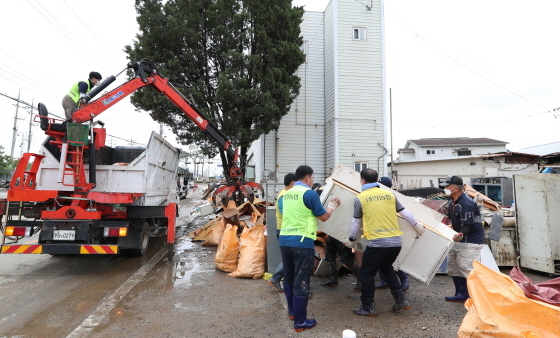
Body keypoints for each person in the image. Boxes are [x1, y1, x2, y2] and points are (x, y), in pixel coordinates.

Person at [347, 169, 425, 317]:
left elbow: (356, 223)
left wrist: (351, 239)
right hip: (395, 242)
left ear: (362, 181)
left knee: (367, 273)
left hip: (378, 243)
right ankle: (401, 301)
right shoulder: (389, 194)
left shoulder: (360, 198)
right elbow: (405, 213)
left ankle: (368, 307)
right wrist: (416, 225)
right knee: (387, 268)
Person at [279, 165, 341, 332]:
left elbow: (289, 212)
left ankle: (293, 312)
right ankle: (300, 322)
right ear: (307, 177)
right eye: (312, 178)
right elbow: (324, 216)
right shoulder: (309, 194)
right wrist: (333, 206)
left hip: (284, 239)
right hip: (301, 241)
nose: (312, 181)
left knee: (289, 277)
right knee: (302, 280)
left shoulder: (286, 194)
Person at [441, 175, 484, 302]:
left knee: (466, 268)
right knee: (454, 268)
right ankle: (461, 294)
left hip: (470, 240)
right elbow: (448, 216)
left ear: (455, 188)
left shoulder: (467, 204)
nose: (445, 188)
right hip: (457, 238)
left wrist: (461, 234)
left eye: (447, 186)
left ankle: (479, 297)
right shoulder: (451, 201)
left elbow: (468, 225)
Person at [374, 176, 410, 292]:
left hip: (392, 231)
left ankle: (404, 279)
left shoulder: (393, 197)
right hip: (380, 230)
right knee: (380, 259)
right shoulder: (379, 196)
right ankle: (384, 281)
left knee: (394, 260)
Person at [267, 173, 297, 293]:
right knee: (290, 259)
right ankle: (276, 278)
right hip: (285, 230)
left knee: (290, 259)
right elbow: (287, 214)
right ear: (292, 183)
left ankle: (280, 279)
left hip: (285, 230)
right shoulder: (285, 196)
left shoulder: (285, 194)